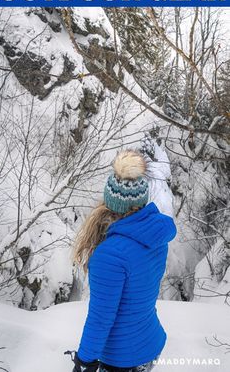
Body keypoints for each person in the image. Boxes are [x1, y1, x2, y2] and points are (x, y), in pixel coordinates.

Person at [66, 149, 177, 372]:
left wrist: (84, 361)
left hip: (121, 359)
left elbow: (101, 317)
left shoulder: (110, 255)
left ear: (110, 202)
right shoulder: (156, 235)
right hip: (150, 342)